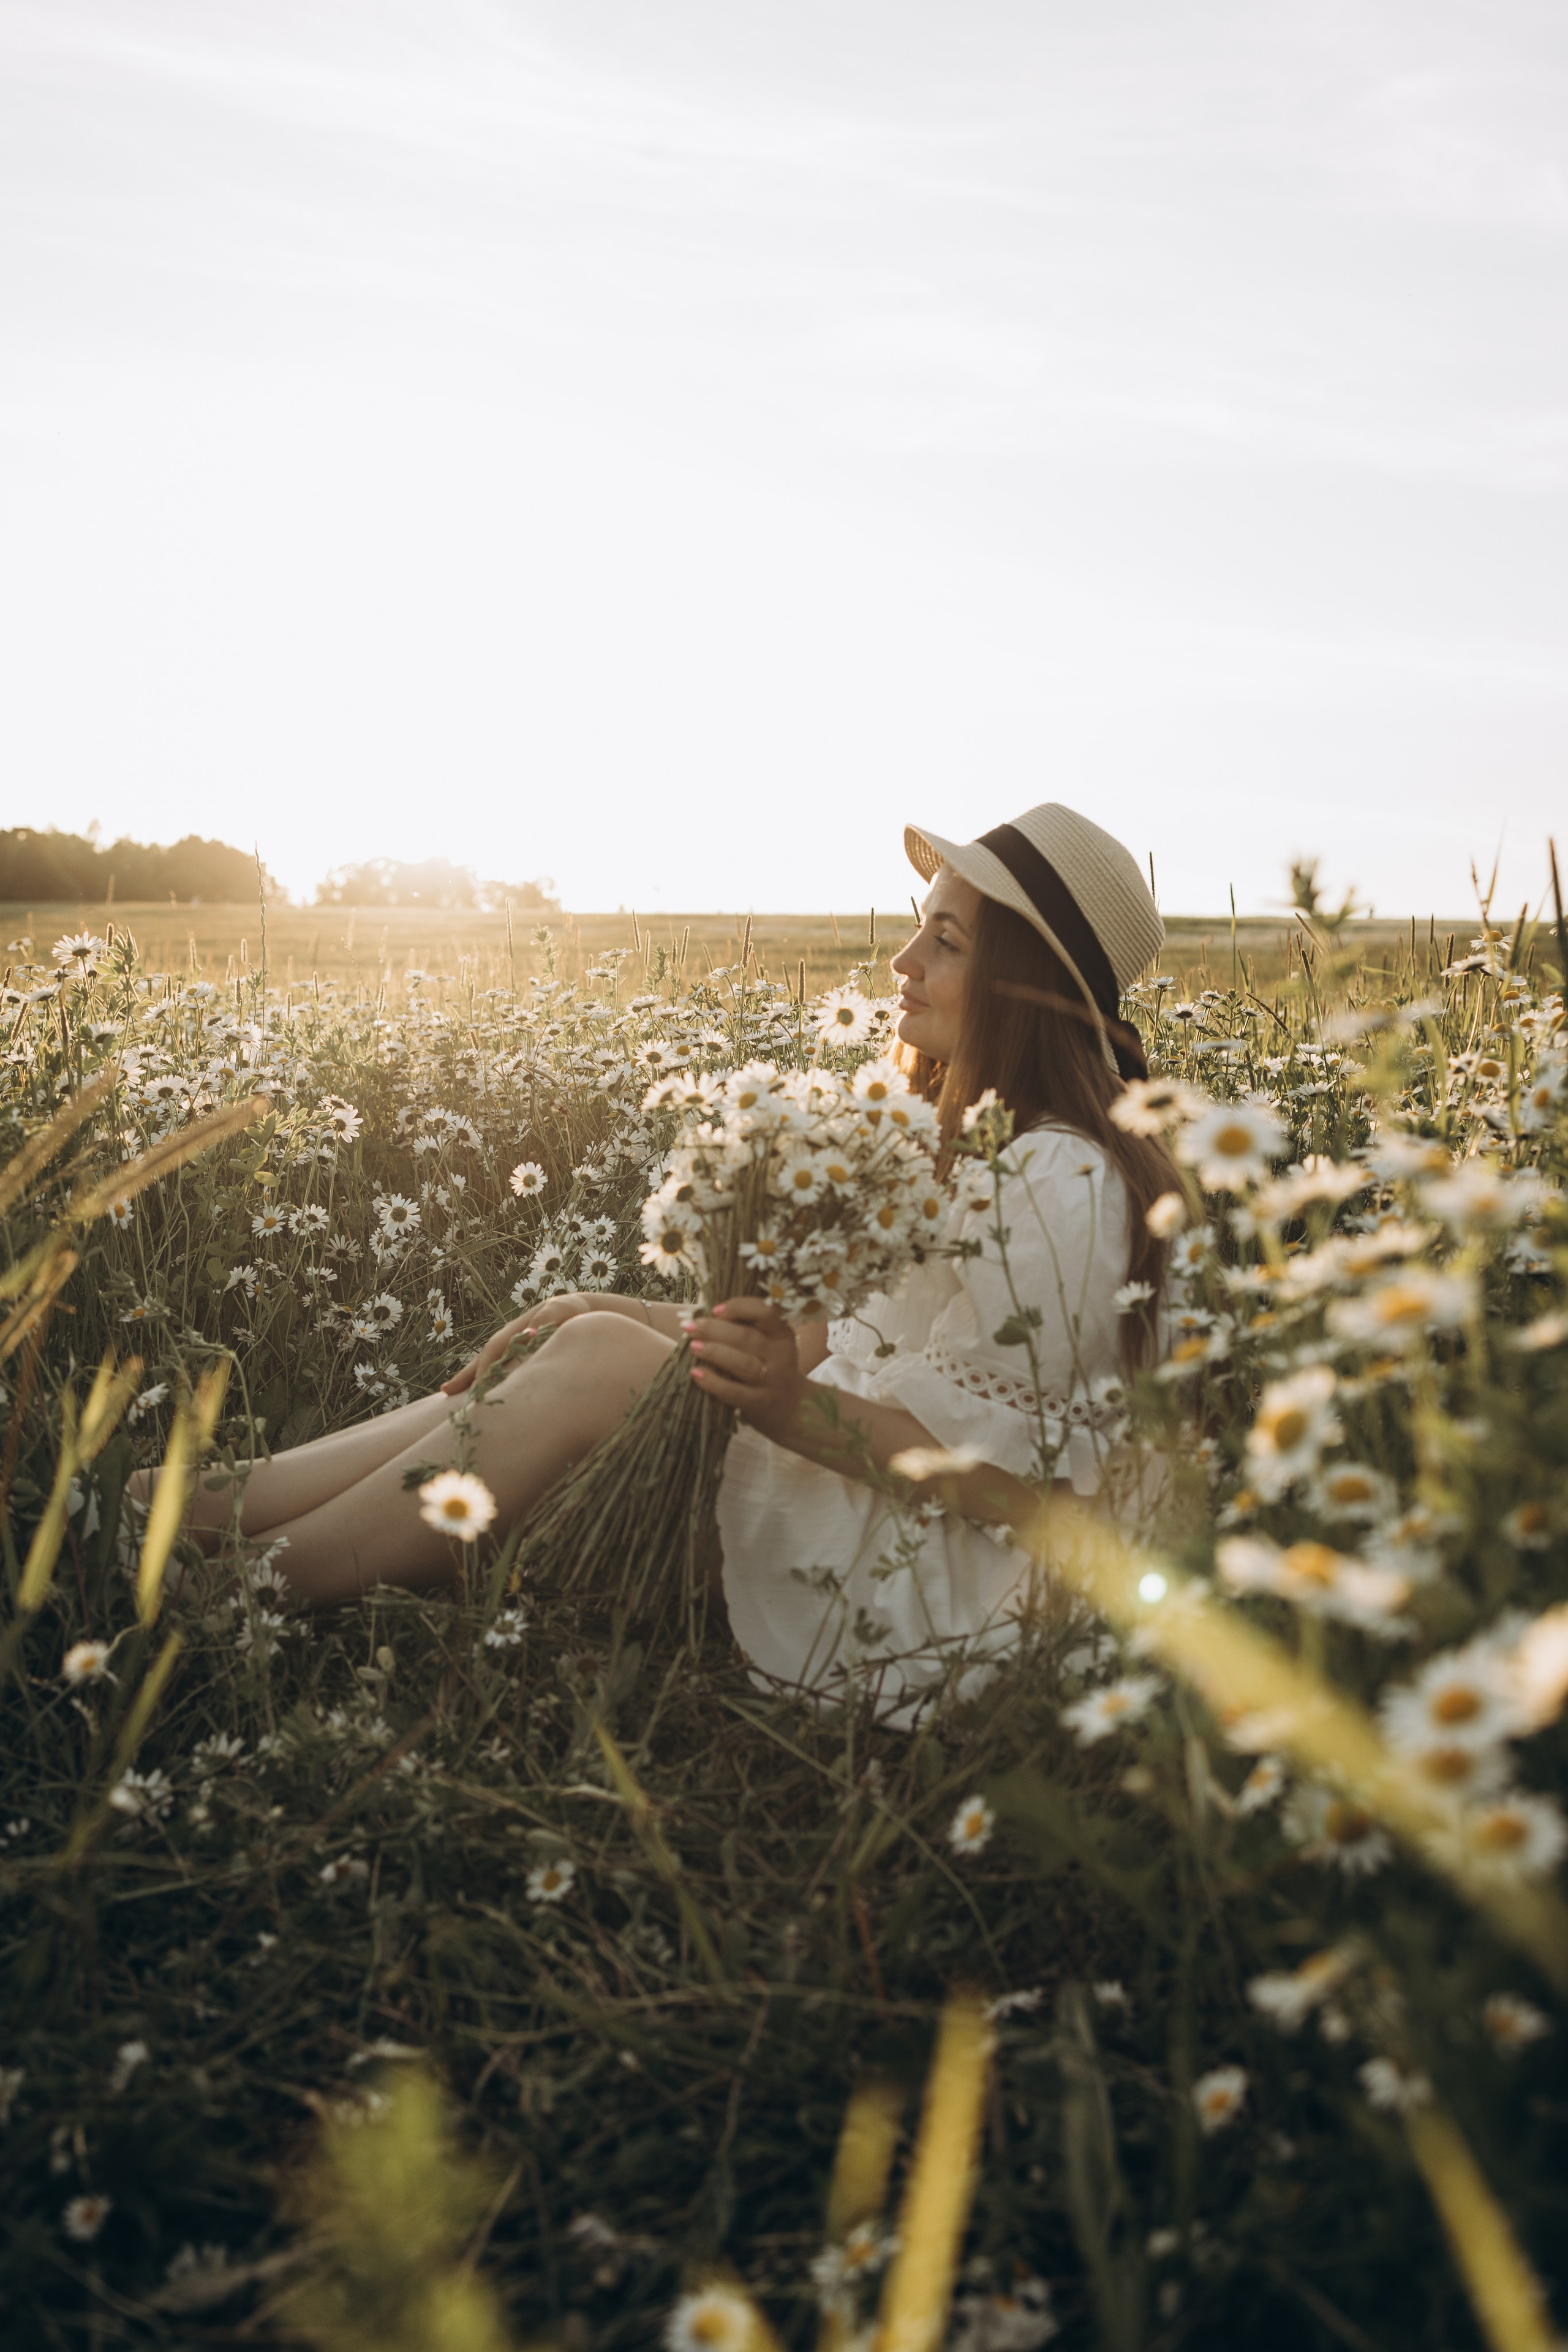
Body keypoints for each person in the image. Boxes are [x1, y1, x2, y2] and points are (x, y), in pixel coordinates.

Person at [134, 802, 1178, 1707]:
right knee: (587, 1340)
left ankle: (233, 1590)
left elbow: (1027, 1493)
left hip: (928, 1587)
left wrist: (780, 1411)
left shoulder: (1065, 1187)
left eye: (946, 942)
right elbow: (824, 1344)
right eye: (920, 929)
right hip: (852, 1500)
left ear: (1028, 985)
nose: (902, 966)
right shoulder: (957, 1137)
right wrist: (619, 1310)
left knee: (592, 1365)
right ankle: (179, 1504)